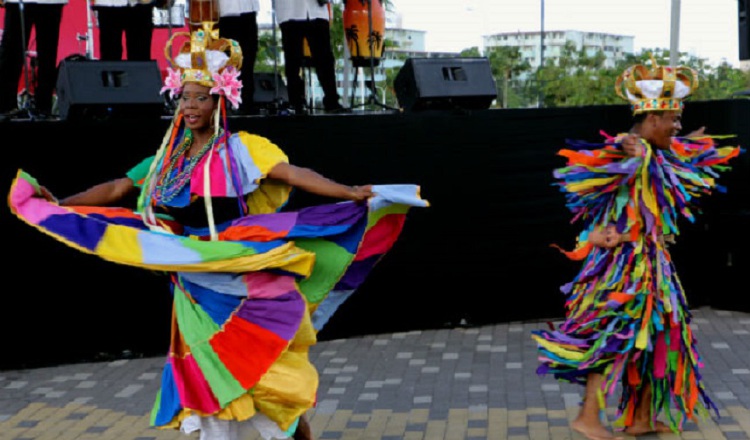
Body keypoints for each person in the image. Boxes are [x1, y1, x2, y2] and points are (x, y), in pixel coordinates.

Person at [9, 20, 428, 440]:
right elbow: (119, 187)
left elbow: (292, 172)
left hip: (236, 265)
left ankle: (294, 432)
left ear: (219, 101)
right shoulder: (167, 157)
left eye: (199, 99)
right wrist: (61, 205)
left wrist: (349, 191)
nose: (189, 107)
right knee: (207, 367)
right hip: (191, 274)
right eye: (183, 98)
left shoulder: (239, 149)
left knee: (262, 366)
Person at [531, 57, 743, 440]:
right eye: (673, 120)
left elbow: (673, 169)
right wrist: (619, 149)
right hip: (623, 266)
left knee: (660, 338)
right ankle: (588, 418)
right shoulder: (624, 153)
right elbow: (599, 174)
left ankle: (641, 419)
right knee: (614, 336)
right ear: (652, 120)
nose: (677, 127)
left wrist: (687, 144)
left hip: (655, 264)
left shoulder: (657, 155)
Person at [0, 0, 68, 120]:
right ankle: (6, 106)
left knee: (48, 55)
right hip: (17, 2)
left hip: (51, 3)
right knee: (11, 52)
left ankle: (44, 108)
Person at [275, 0, 346, 114]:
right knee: (293, 61)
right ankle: (295, 102)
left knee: (325, 59)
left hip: (316, 11)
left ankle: (332, 100)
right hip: (290, 12)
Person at [217, 0, 259, 115]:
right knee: (225, 61)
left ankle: (247, 102)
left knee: (248, 59)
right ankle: (224, 103)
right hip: (224, 13)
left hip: (248, 11)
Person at [92, 0, 161, 62]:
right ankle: (111, 75)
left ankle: (139, 75)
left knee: (140, 55)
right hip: (109, 5)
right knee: (110, 54)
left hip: (141, 6)